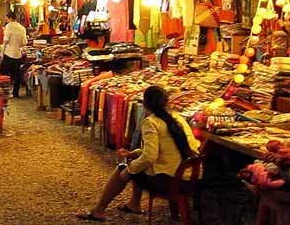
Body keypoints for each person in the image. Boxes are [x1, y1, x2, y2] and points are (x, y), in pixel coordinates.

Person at [76, 86, 200, 221]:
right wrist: (133, 153)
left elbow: (149, 157)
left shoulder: (151, 123)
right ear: (167, 102)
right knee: (135, 163)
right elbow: (164, 149)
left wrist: (129, 169)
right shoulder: (178, 118)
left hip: (170, 180)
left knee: (125, 168)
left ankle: (99, 210)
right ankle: (134, 203)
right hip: (188, 178)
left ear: (145, 104)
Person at [1, 11, 27, 98]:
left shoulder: (8, 26)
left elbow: (6, 40)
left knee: (4, 74)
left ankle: (5, 92)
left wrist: (2, 53)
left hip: (8, 53)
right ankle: (15, 93)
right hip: (17, 54)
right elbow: (24, 42)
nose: (6, 20)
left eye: (7, 18)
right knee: (17, 75)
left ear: (10, 18)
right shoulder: (22, 28)